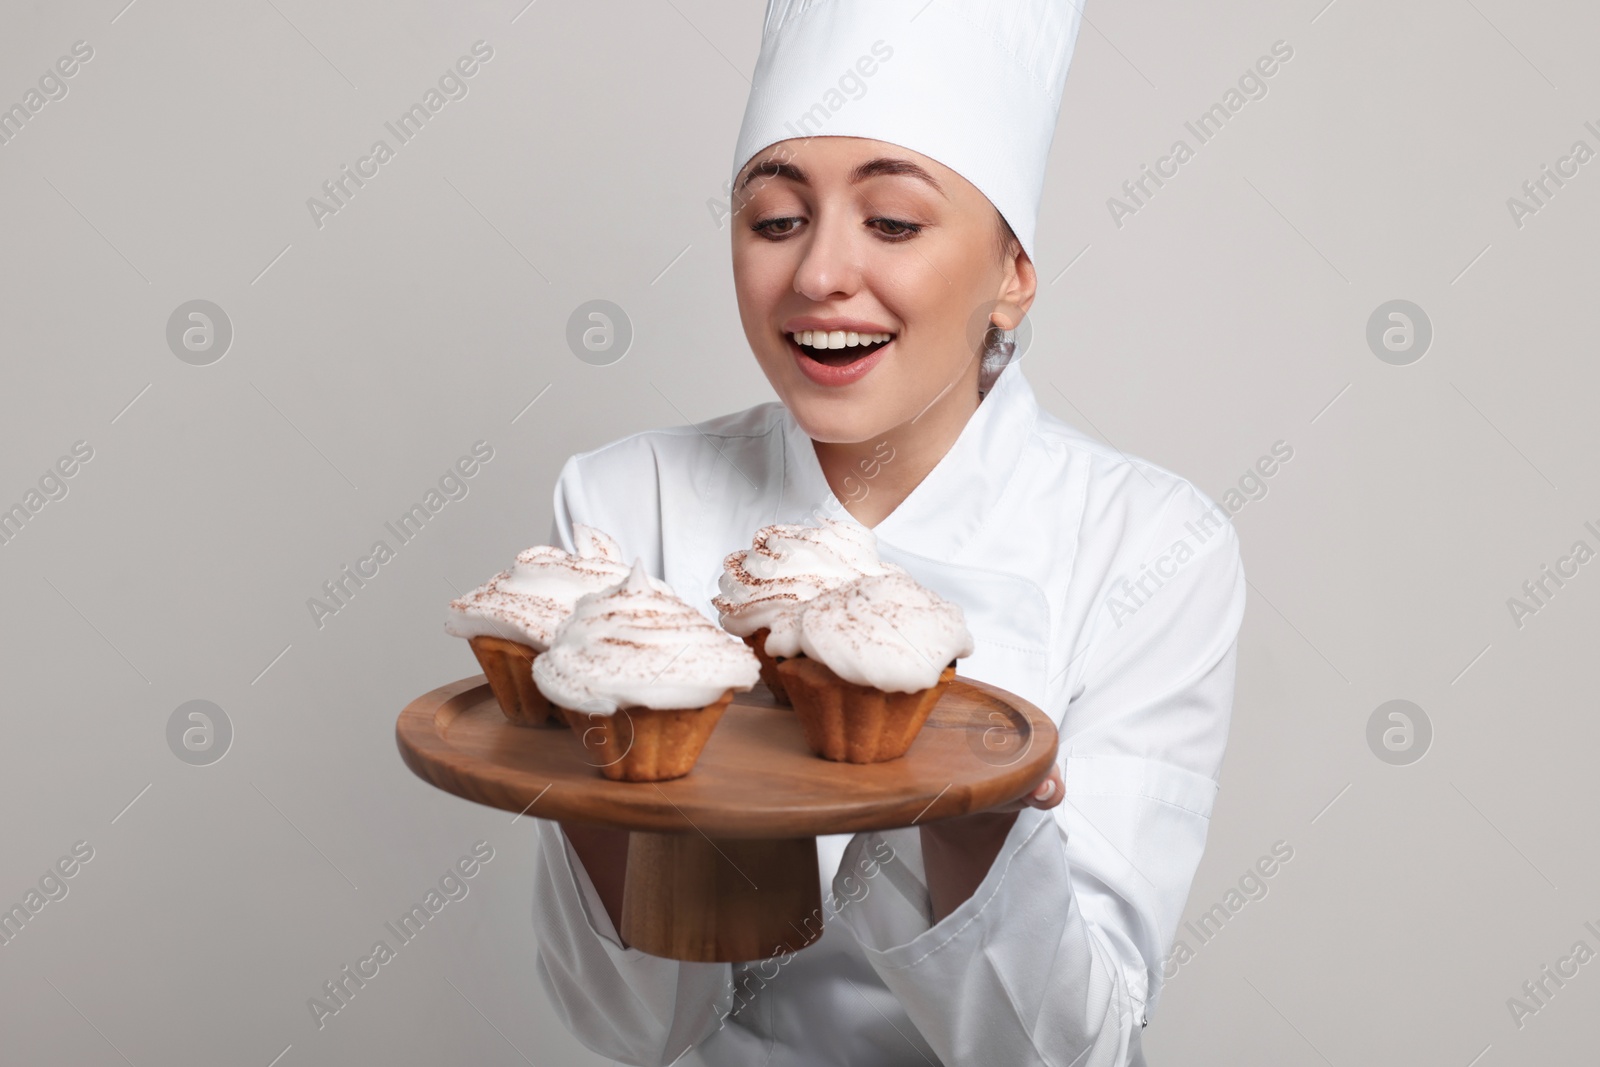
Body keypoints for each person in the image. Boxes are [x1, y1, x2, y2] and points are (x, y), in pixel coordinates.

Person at [528, 1, 1247, 1064]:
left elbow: (1069, 1050)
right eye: (775, 220)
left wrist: (978, 818)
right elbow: (629, 1025)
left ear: (1012, 271)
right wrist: (586, 761)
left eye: (893, 222)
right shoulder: (627, 503)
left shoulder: (1151, 546)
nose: (818, 274)